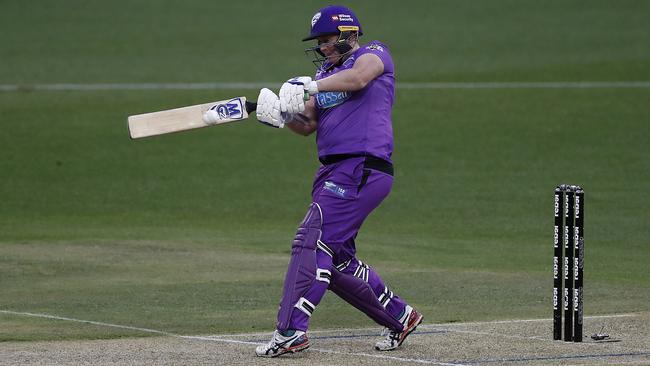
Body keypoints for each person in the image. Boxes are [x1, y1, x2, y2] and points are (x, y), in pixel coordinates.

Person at [253, 5, 423, 358]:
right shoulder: (326, 72)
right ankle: (399, 315)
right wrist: (281, 115)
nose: (322, 48)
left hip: (362, 166)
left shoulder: (374, 54)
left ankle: (290, 331)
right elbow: (307, 125)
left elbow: (359, 79)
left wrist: (308, 85)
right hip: (331, 171)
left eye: (327, 40)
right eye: (319, 43)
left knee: (311, 242)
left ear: (348, 34)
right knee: (337, 257)